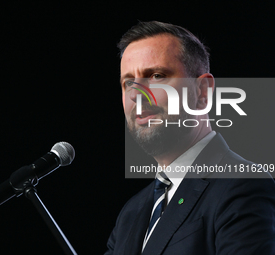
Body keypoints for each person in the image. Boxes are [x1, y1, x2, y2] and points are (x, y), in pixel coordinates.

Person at [104, 21, 275, 255]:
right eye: (128, 83)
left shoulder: (243, 185)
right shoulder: (131, 213)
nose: (137, 95)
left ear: (202, 91)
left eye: (156, 75)